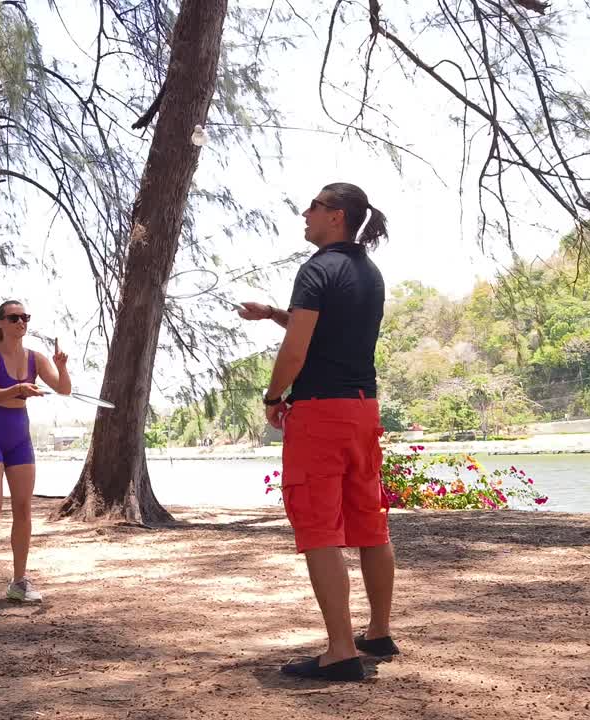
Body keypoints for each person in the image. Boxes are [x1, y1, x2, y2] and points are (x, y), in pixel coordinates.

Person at [239, 182, 398, 682]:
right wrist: (272, 315)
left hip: (320, 414)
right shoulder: (368, 273)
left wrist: (272, 397)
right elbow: (324, 327)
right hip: (362, 410)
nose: (306, 214)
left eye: (314, 206)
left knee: (319, 529)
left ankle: (339, 651)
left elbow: (298, 349)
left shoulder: (316, 268)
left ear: (338, 216)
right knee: (370, 524)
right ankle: (378, 631)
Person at [0, 300, 70, 605]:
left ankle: (18, 582)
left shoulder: (36, 357)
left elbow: (64, 389)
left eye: (25, 317)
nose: (21, 322)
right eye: (14, 317)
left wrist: (61, 368)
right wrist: (19, 388)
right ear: (0, 323)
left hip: (19, 435)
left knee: (23, 509)